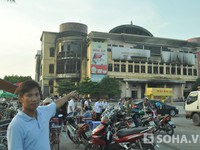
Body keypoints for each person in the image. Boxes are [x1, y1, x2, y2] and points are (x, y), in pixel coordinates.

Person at [7, 80, 78, 150]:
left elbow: (56, 103)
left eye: (36, 94)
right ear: (20, 98)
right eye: (29, 95)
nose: (34, 99)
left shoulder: (43, 111)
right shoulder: (16, 126)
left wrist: (69, 95)